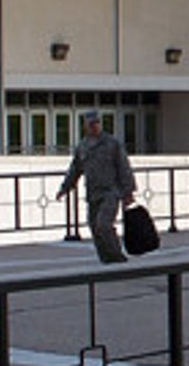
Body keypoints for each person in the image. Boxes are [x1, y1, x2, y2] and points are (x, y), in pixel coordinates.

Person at [56, 110, 136, 263]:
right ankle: (105, 258)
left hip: (110, 191)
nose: (95, 127)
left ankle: (117, 256)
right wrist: (65, 188)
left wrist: (128, 192)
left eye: (97, 123)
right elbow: (75, 169)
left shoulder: (112, 144)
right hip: (93, 193)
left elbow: (124, 168)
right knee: (94, 227)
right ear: (86, 126)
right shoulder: (83, 146)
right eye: (91, 124)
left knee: (104, 224)